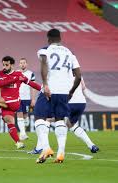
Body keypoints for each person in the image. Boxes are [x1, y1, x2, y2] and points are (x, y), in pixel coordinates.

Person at [34, 28, 81, 163]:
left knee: (39, 117)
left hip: (50, 89)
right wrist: (71, 92)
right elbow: (78, 76)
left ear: (48, 39)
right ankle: (60, 153)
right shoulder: (70, 53)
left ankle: (46, 148)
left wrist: (45, 84)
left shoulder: (45, 50)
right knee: (60, 120)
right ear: (60, 39)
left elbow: (44, 64)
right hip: (64, 92)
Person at [67, 76, 99, 153]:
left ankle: (41, 147)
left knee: (52, 120)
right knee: (71, 125)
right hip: (81, 103)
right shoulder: (78, 74)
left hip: (70, 102)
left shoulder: (62, 73)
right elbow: (83, 87)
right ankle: (91, 145)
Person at [17, 58, 36, 141]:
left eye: (24, 63)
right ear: (19, 64)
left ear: (26, 64)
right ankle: (23, 133)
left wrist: (33, 99)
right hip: (18, 98)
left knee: (25, 117)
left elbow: (33, 87)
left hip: (27, 98)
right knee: (19, 114)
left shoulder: (31, 74)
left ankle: (22, 132)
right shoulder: (16, 73)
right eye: (21, 63)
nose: (22, 64)